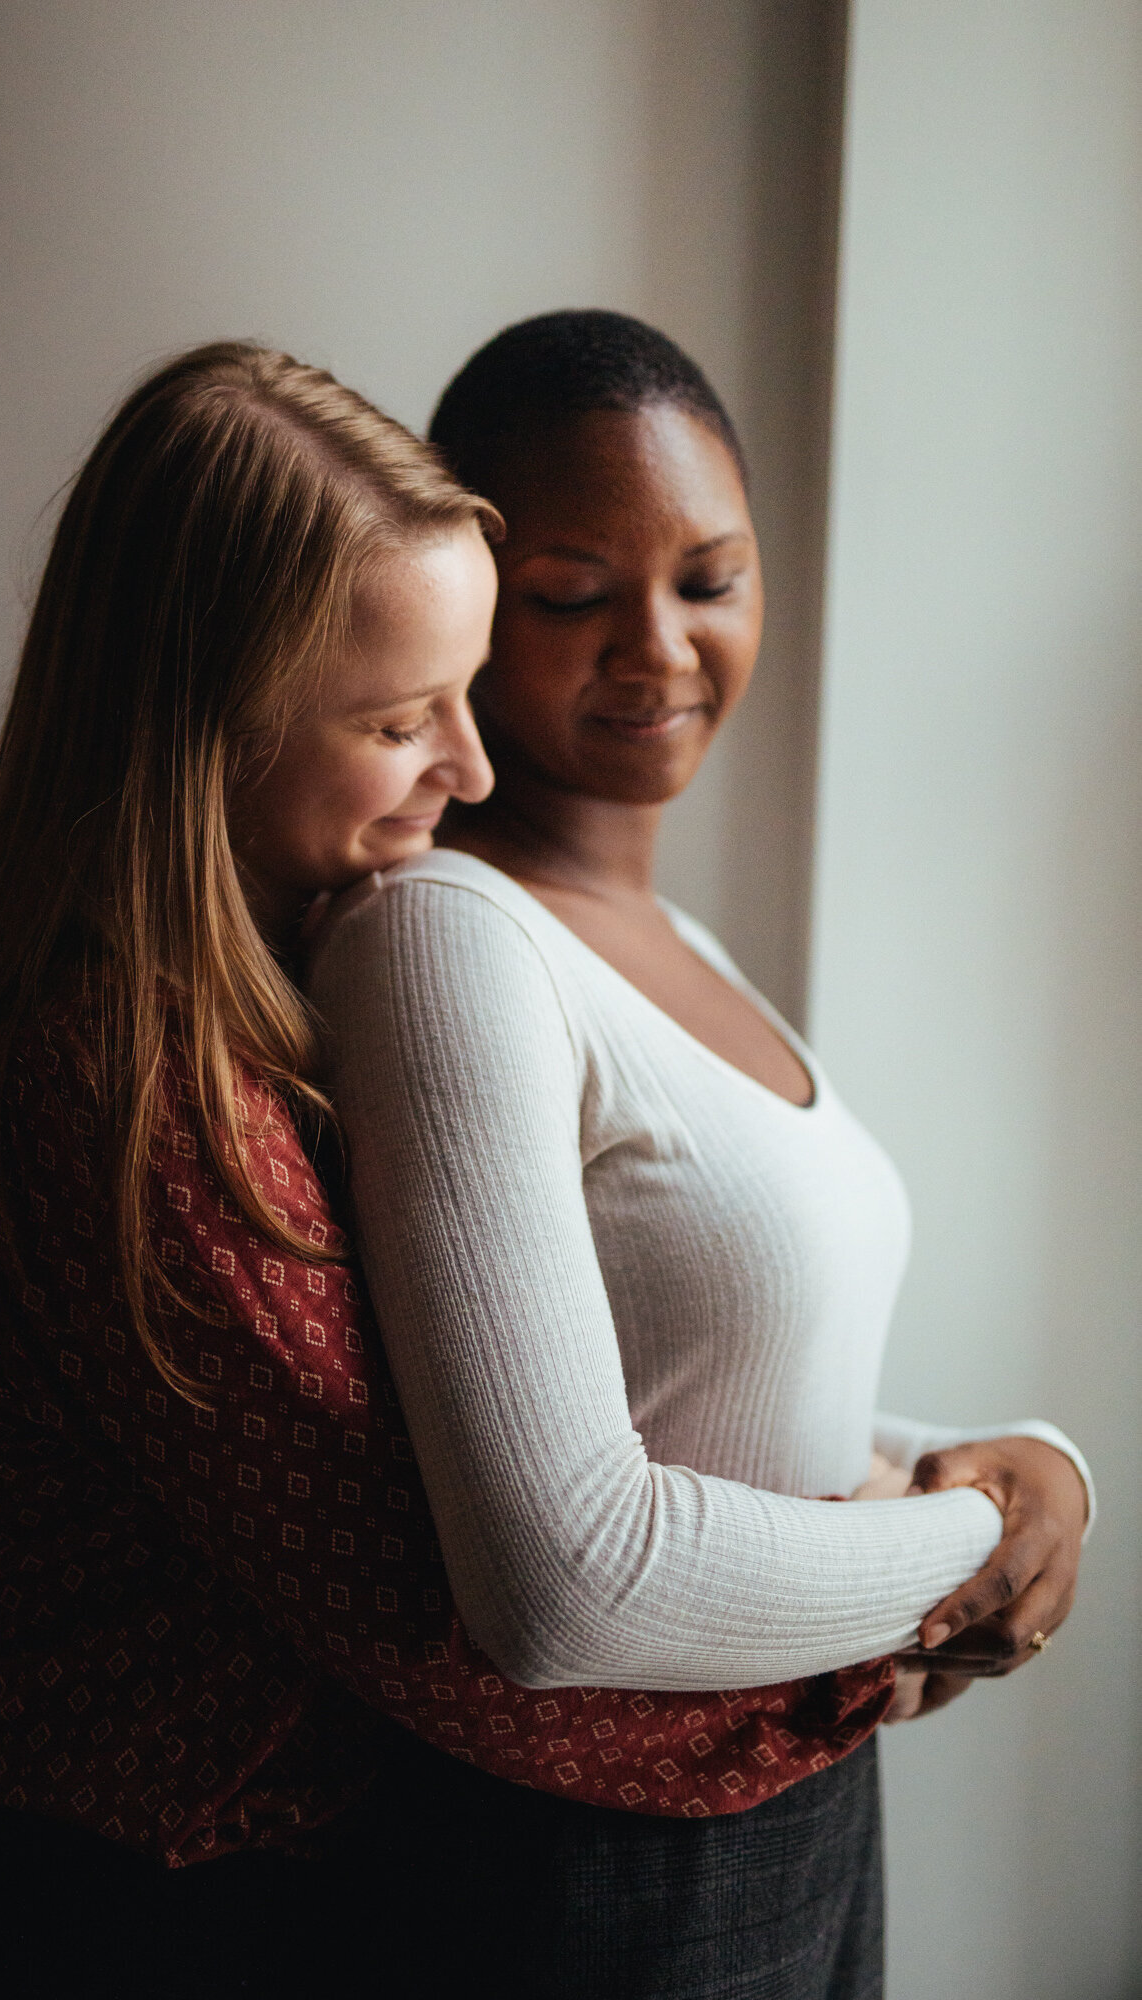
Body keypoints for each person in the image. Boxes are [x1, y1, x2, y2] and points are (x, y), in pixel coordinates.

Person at [0, 339, 899, 2000]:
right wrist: (925, 1595)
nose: (471, 772)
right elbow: (468, 1614)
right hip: (93, 1926)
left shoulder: (251, 1016)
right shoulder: (132, 1098)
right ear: (205, 728)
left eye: (465, 696)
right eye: (402, 721)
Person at [304, 310, 1093, 1997]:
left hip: (797, 1787)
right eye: (575, 593)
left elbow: (715, 1375)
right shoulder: (445, 937)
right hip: (592, 1857)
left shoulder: (680, 944)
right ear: (462, 607)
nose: (655, 649)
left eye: (710, 579)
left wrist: (1009, 1455)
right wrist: (975, 1549)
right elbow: (560, 1587)